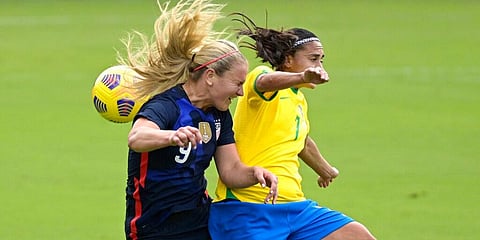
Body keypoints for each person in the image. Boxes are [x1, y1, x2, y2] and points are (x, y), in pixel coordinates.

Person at [118, 2, 278, 240]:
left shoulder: (219, 115)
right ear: (211, 77)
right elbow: (137, 137)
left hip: (200, 219)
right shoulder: (167, 105)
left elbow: (230, 170)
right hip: (154, 227)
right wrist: (171, 136)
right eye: (237, 84)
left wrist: (255, 173)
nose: (241, 93)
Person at [209, 13, 376, 240]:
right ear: (288, 60)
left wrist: (325, 170)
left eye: (321, 60)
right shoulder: (263, 78)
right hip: (250, 206)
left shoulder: (298, 100)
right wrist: (301, 76)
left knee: (356, 235)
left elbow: (302, 142)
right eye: (313, 58)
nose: (319, 66)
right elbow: (263, 83)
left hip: (295, 208)